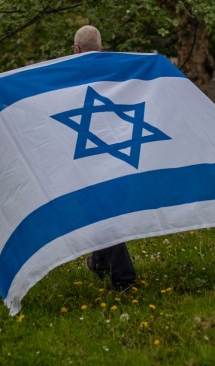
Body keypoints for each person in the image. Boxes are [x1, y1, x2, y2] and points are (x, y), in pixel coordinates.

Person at [73, 25, 137, 291]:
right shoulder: (120, 74)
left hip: (89, 154)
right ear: (101, 49)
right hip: (116, 151)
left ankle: (124, 278)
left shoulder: (65, 79)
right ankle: (99, 262)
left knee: (104, 213)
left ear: (75, 50)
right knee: (100, 211)